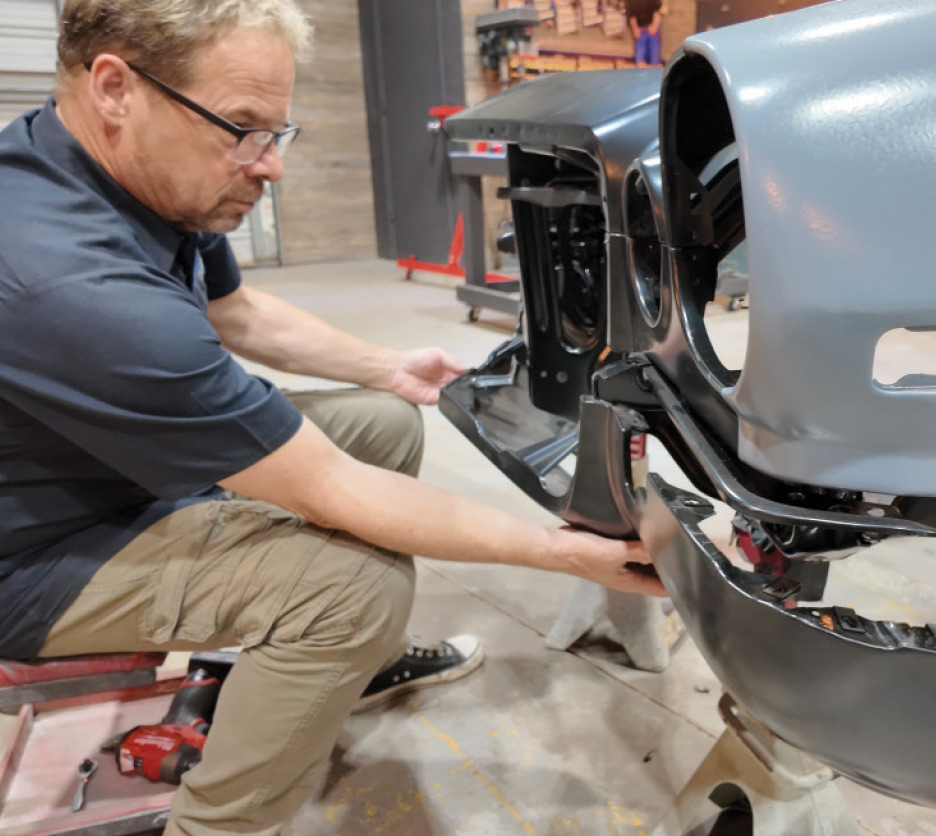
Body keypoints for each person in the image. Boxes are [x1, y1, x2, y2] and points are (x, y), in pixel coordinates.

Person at [0, 1, 666, 834]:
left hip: (98, 472)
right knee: (349, 590)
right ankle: (218, 823)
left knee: (382, 420)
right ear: (114, 87)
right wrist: (563, 553)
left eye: (278, 132)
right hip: (33, 558)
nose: (269, 167)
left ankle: (350, 671)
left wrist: (390, 367)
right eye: (242, 128)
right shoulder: (70, 283)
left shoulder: (125, 175)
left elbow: (237, 316)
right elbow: (330, 489)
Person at [625, 0, 664, 67]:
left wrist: (654, 25)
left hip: (652, 29)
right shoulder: (631, 2)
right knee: (640, 57)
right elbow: (631, 15)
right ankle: (641, 70)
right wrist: (635, 28)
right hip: (640, 31)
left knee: (654, 56)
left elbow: (658, 11)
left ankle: (654, 68)